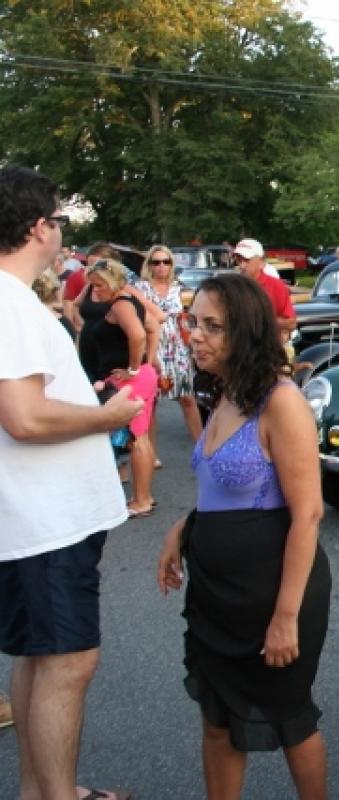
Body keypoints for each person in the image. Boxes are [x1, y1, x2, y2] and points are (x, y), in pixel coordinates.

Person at [156, 272, 331, 799]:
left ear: (247, 332)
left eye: (214, 326)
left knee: (289, 718)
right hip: (215, 591)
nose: (196, 335)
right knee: (216, 718)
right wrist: (182, 528)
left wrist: (284, 618)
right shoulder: (224, 391)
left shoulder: (281, 401)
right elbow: (223, 489)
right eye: (194, 322)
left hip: (271, 592)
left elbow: (308, 515)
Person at [0, 164, 142, 800]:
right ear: (38, 227)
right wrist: (107, 416)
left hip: (35, 521)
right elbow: (25, 418)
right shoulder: (8, 306)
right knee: (67, 662)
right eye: (59, 219)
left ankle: (42, 790)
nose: (63, 231)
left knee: (38, 657)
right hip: (44, 524)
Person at [79, 258, 160, 517]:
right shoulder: (127, 299)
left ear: (113, 281)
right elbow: (152, 325)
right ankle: (143, 497)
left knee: (136, 438)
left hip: (131, 378)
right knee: (140, 437)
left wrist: (134, 368)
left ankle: (141, 500)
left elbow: (138, 334)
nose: (96, 291)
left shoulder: (122, 303)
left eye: (100, 285)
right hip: (138, 376)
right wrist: (148, 362)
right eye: (93, 286)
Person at [136, 245, 203, 443]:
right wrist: (149, 353)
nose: (161, 266)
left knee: (188, 398)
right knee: (152, 402)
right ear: (149, 265)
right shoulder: (141, 288)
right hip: (153, 346)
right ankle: (150, 453)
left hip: (178, 349)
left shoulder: (178, 288)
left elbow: (190, 318)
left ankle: (202, 448)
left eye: (166, 262)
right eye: (156, 262)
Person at [232, 238, 296, 341]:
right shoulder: (232, 287)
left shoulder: (276, 286)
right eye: (239, 260)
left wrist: (262, 321)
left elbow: (291, 323)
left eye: (246, 260)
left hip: (268, 350)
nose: (242, 265)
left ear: (261, 262)